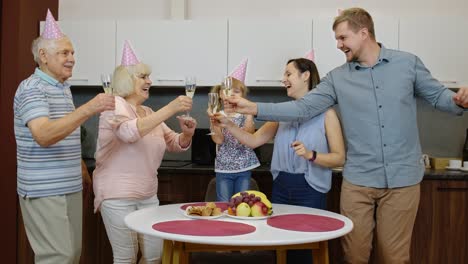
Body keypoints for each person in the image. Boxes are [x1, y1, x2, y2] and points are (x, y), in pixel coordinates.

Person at [226, 7, 468, 264]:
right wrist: (253, 107)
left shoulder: (408, 64)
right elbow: (303, 107)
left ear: (364, 33)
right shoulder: (337, 79)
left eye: (342, 38)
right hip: (359, 181)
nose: (339, 45)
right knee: (354, 256)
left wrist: (460, 101)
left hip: (402, 179)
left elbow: (440, 97)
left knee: (395, 257)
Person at [214, 57, 345, 264]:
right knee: (282, 244)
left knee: (306, 248)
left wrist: (312, 155)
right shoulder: (281, 113)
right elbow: (254, 140)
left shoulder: (326, 114)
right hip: (282, 186)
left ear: (305, 76)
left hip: (310, 188)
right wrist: (228, 125)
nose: (283, 79)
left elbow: (340, 157)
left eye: (288, 74)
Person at [13, 10, 115, 264]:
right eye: (64, 53)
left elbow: (65, 132)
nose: (72, 59)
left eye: (72, 53)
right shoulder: (32, 89)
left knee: (70, 255)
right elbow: (44, 135)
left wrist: (80, 167)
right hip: (44, 189)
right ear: (44, 57)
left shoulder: (61, 88)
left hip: (67, 185)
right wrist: (90, 108)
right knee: (57, 257)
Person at [93, 41, 196, 264]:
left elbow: (174, 143)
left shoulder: (147, 111)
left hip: (148, 196)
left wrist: (186, 135)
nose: (149, 81)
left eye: (149, 76)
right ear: (126, 80)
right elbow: (129, 133)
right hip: (117, 196)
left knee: (154, 256)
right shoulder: (114, 105)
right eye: (143, 76)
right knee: (126, 258)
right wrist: (170, 108)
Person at [209, 59, 260, 201]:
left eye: (236, 91)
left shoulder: (244, 115)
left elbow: (249, 136)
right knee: (224, 203)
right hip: (223, 167)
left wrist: (249, 114)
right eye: (227, 90)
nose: (231, 94)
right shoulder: (217, 114)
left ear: (242, 96)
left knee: (242, 203)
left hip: (244, 167)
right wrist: (214, 121)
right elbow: (218, 139)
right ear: (220, 94)